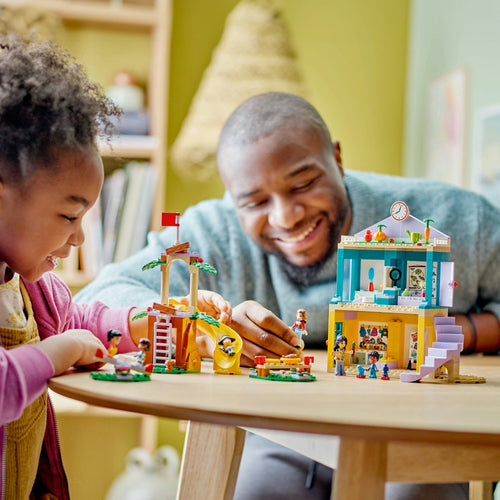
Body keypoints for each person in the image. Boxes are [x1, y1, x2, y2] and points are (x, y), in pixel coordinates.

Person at [75, 91, 500, 499]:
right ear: (232, 200)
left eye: (303, 184)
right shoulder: (214, 232)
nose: (286, 216)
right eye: (255, 202)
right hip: (278, 434)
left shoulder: (456, 220)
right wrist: (205, 329)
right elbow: (97, 299)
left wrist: (453, 331)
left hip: (419, 430)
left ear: (337, 159)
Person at [0, 34, 231, 499]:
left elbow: (80, 323)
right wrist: (58, 352)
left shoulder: (31, 291)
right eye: (70, 216)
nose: (80, 238)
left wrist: (149, 322)